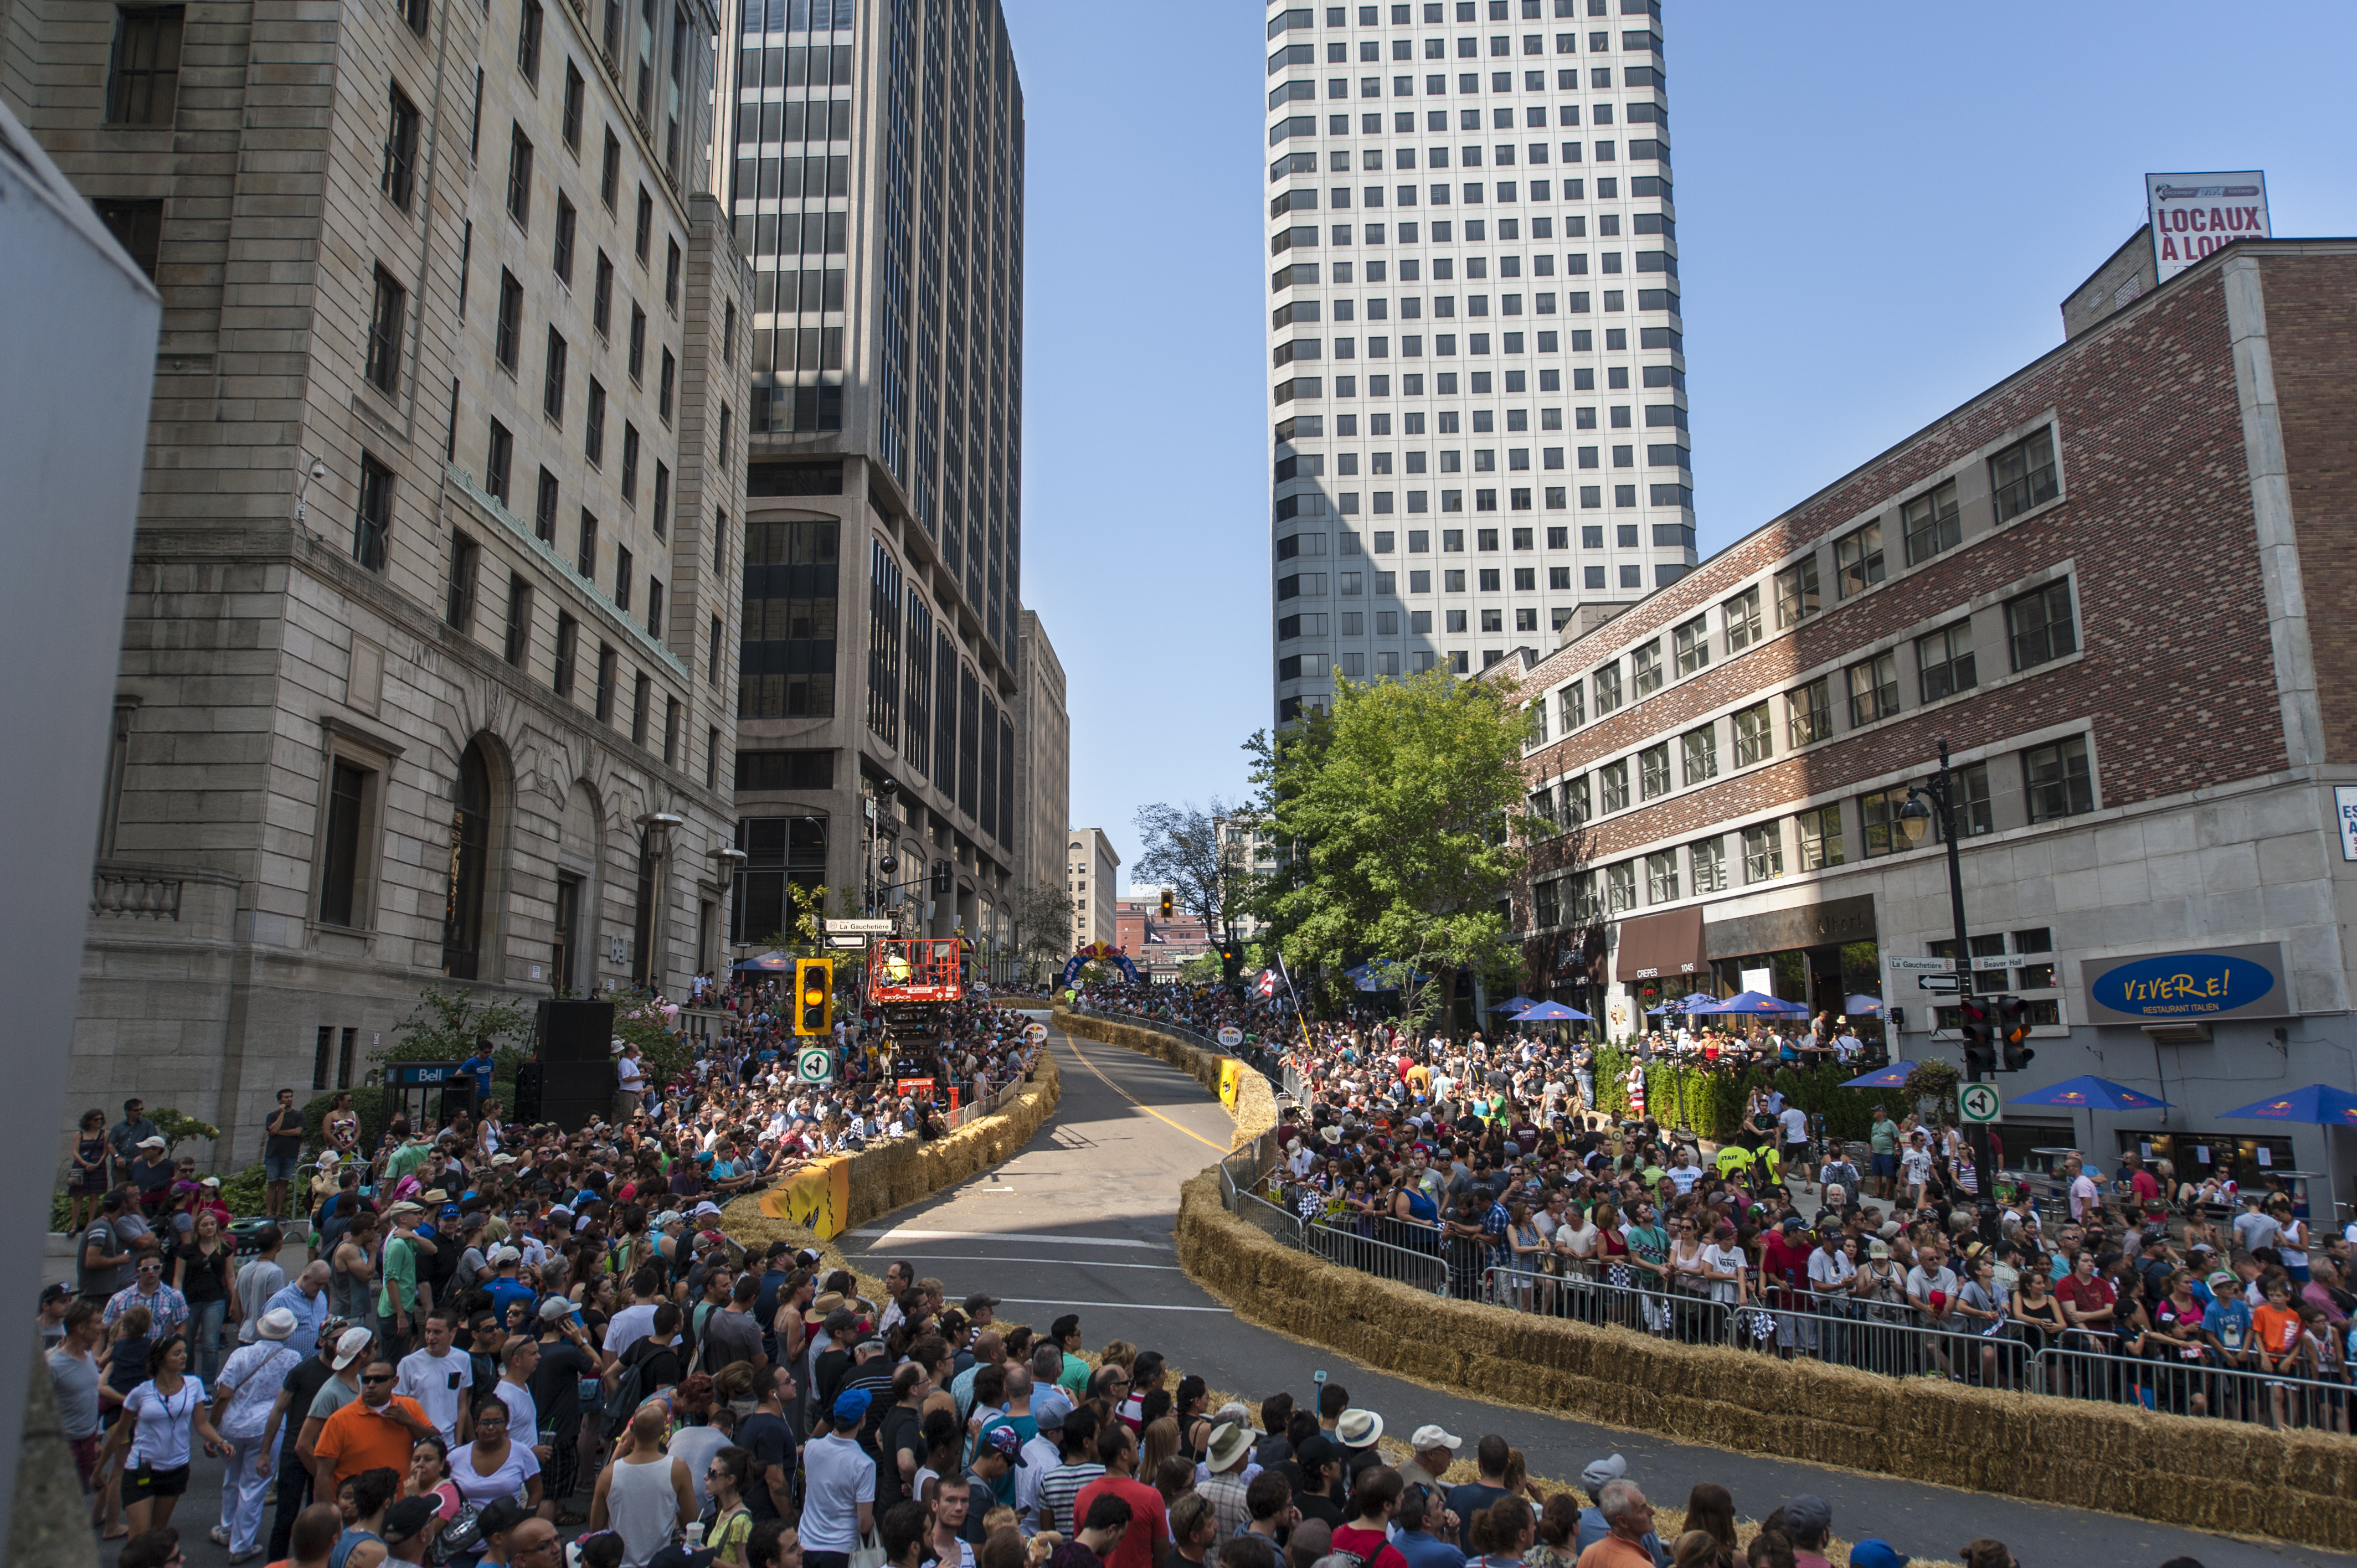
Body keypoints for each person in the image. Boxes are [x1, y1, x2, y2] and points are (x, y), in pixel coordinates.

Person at [105, 1333, 231, 1536]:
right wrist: (99, 1470)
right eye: (177, 1353)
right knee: (140, 1539)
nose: (184, 1356)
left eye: (184, 1352)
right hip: (141, 1469)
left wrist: (220, 1441)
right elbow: (120, 1432)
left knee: (157, 1536)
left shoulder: (194, 1385)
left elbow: (201, 1424)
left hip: (176, 1468)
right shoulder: (140, 1393)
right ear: (160, 1359)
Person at [212, 1306, 304, 1562]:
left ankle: (227, 1527)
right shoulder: (293, 1359)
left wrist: (213, 1427)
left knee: (232, 1476)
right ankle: (241, 1545)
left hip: (233, 1425)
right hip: (267, 1429)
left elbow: (224, 1393)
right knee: (254, 1486)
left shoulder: (241, 1355)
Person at [589, 1402, 695, 1567]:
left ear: (632, 1430)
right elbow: (691, 1520)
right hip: (661, 1563)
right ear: (662, 1431)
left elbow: (596, 1529)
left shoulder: (609, 1474)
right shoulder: (678, 1469)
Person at [313, 1359, 436, 1496]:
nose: (371, 1385)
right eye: (367, 1380)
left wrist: (408, 1422)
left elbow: (435, 1442)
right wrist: (328, 1514)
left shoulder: (409, 1407)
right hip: (356, 1510)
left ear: (394, 1382)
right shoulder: (339, 1420)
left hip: (398, 1506)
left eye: (379, 1379)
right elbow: (323, 1475)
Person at [1073, 1423, 1165, 1568]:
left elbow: (1080, 1548)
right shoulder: (1152, 1497)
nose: (1138, 1446)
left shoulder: (1082, 1497)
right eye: (1135, 1443)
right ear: (1124, 1453)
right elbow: (1162, 1555)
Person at [48, 1299, 106, 1497]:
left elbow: (91, 1398)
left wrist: (96, 1437)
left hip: (88, 1440)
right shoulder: (53, 1364)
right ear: (81, 1328)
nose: (102, 1327)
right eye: (97, 1323)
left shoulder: (89, 1356)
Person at [176, 1208, 239, 1384]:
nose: (209, 1227)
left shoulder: (225, 1248)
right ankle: (186, 1380)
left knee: (210, 1345)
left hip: (215, 1300)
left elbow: (230, 1275)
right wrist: (178, 1302)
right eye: (205, 1225)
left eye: (212, 1224)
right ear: (198, 1229)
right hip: (190, 1301)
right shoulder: (187, 1251)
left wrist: (234, 1299)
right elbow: (178, 1278)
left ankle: (208, 1384)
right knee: (187, 1345)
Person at [395, 1311, 475, 1448]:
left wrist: (457, 1444)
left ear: (453, 1332)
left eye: (437, 1332)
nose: (431, 1337)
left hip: (449, 1444)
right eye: (428, 1331)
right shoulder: (408, 1364)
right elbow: (399, 1406)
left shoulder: (463, 1359)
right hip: (419, 1443)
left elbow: (461, 1406)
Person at [1331, 1467, 1409, 1568]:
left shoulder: (1337, 1535)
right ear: (1387, 1506)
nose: (1403, 1497)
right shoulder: (1394, 1560)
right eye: (1400, 1495)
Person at [1571, 1481, 1653, 1568]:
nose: (1652, 1511)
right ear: (1622, 1522)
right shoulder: (1643, 1566)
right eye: (1642, 1510)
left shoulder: (1591, 1553)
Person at [704, 1446, 759, 1568]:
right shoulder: (725, 1510)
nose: (706, 1477)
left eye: (713, 1473)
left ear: (730, 1480)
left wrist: (707, 1557)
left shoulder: (741, 1521)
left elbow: (745, 1566)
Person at [264, 1089, 308, 1220]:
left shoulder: (298, 1115)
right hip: (273, 1153)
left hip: (290, 1154)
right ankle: (268, 1213)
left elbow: (297, 1132)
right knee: (272, 1183)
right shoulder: (272, 1116)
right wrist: (282, 1114)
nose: (289, 1099)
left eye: (291, 1097)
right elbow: (272, 1130)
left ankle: (279, 1212)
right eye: (286, 1097)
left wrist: (278, 1132)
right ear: (280, 1100)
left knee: (284, 1183)